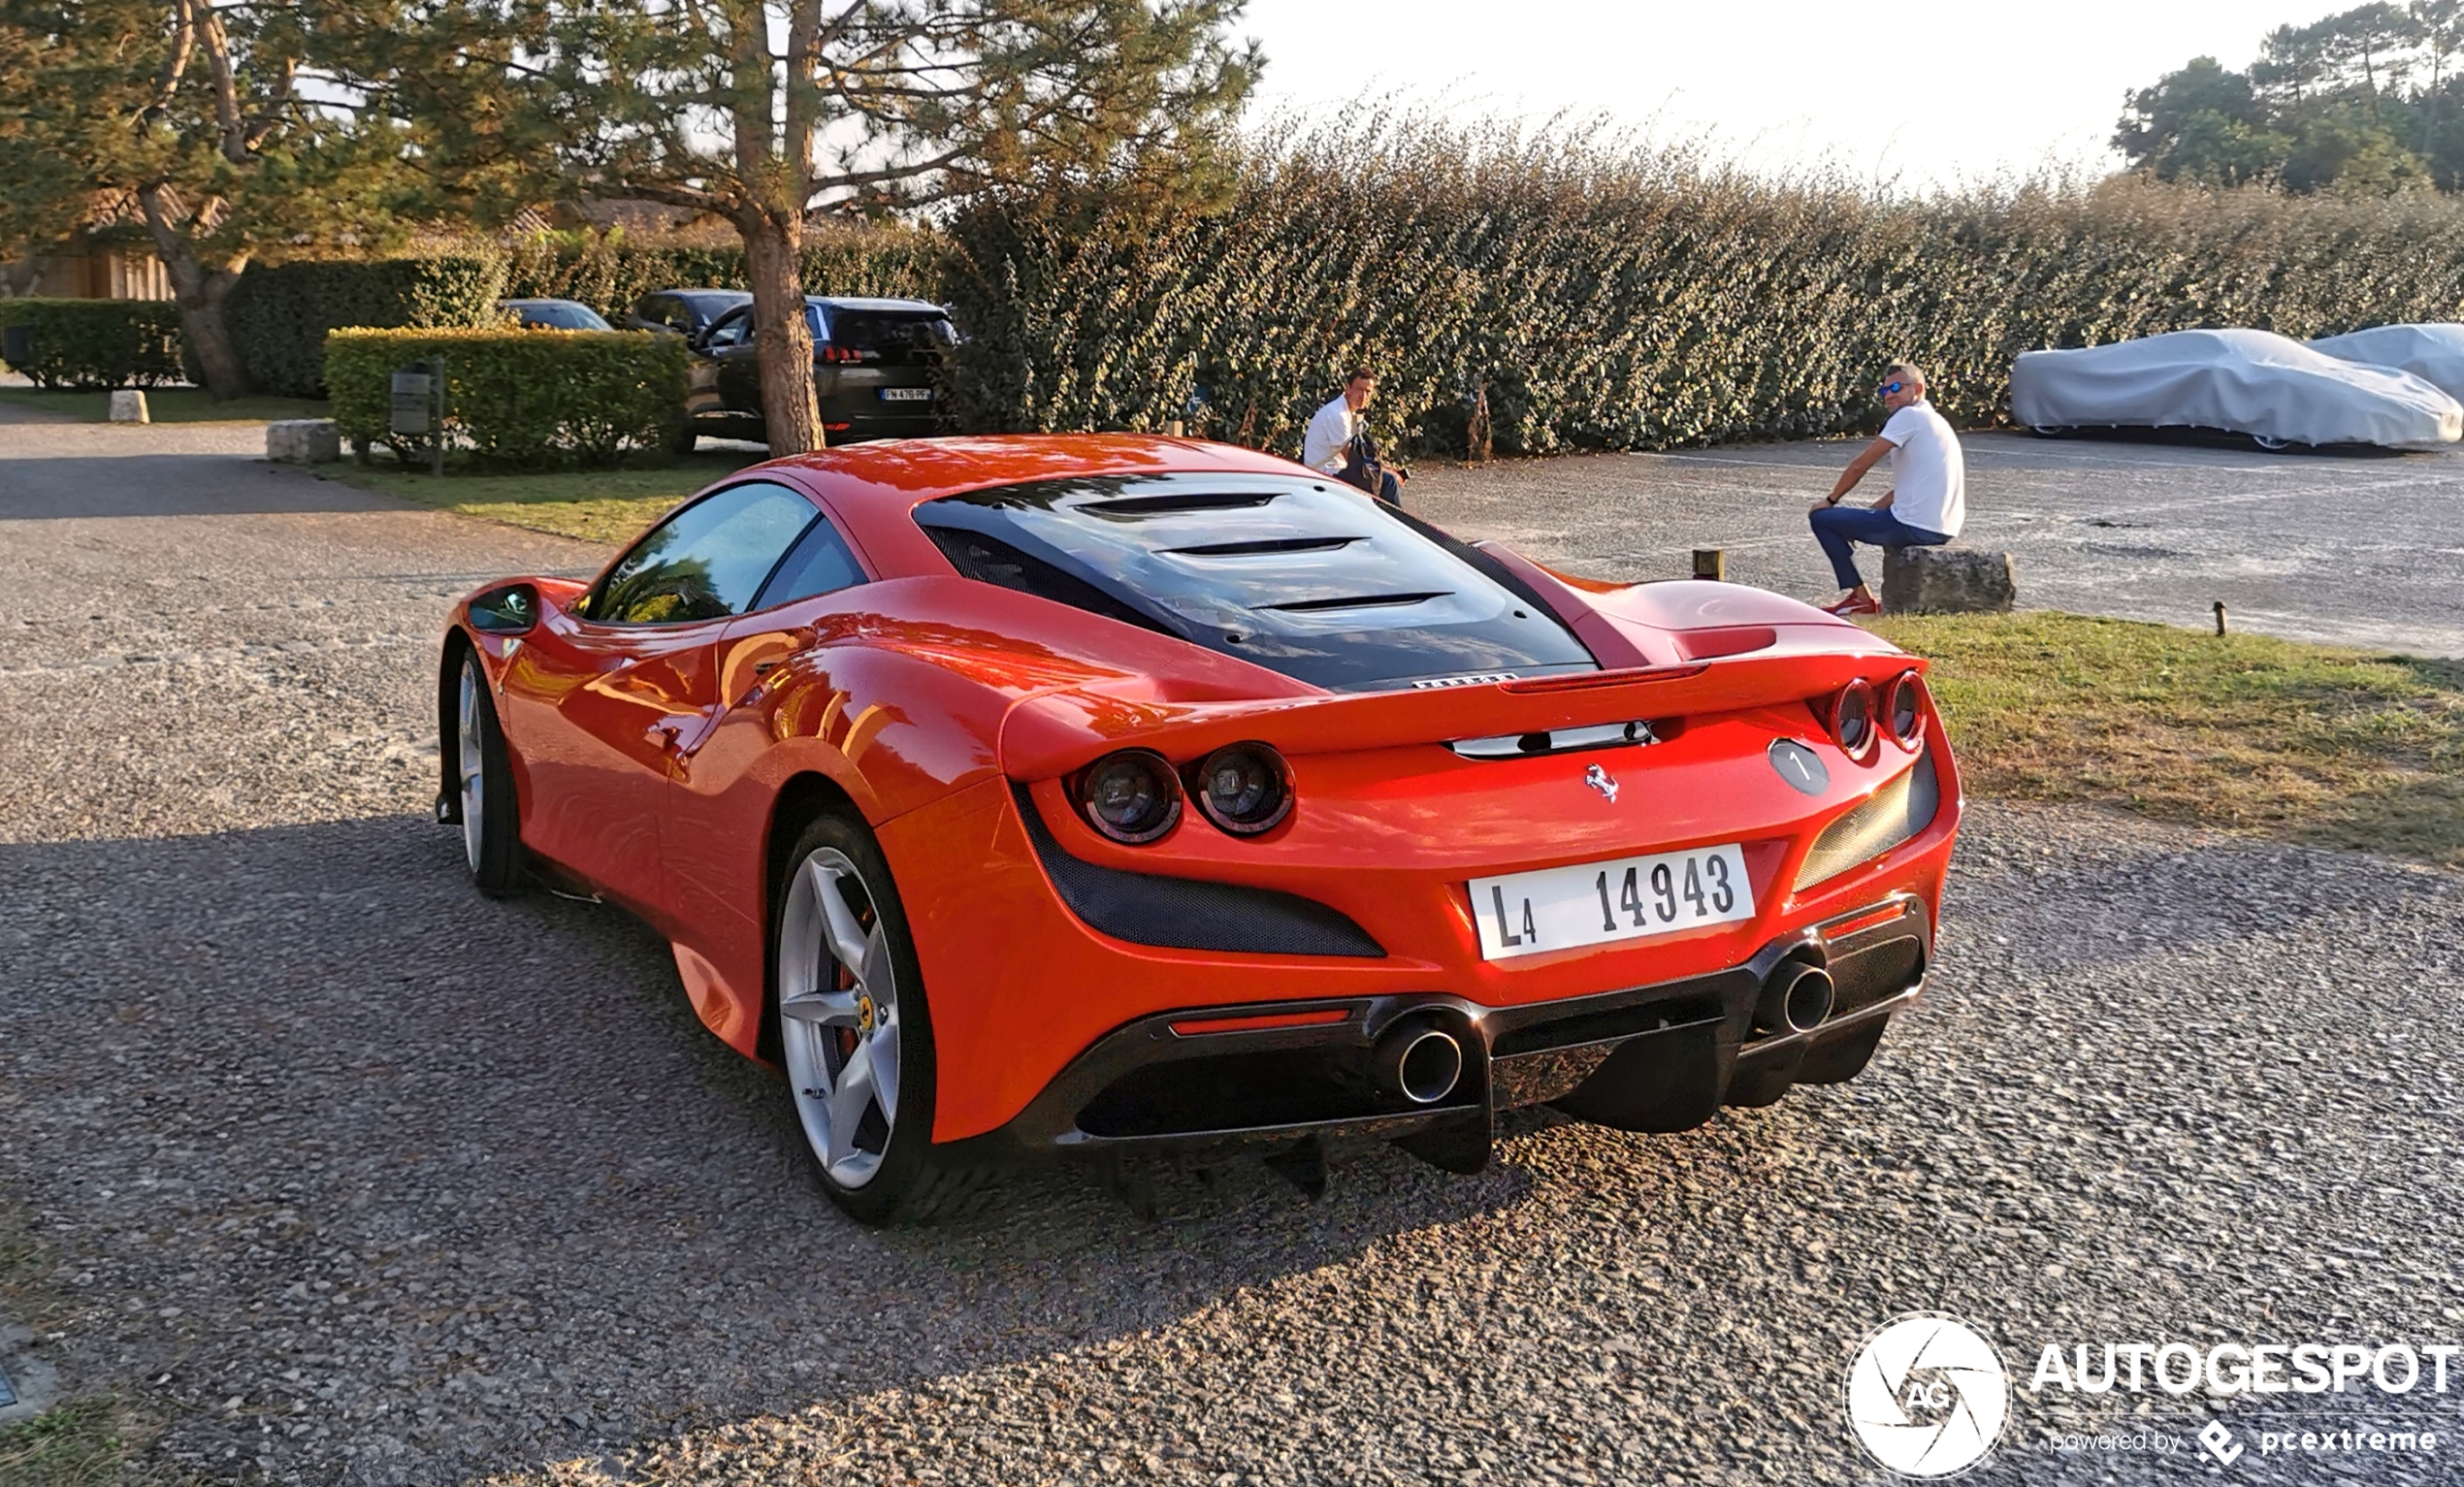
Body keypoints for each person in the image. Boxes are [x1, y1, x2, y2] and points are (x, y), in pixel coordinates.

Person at [1808, 362, 1965, 616]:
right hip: (1941, 528)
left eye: (1896, 387)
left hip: (1913, 526)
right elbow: (1904, 489)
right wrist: (1864, 517)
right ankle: (1861, 597)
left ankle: (1860, 598)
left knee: (1821, 518)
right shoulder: (1935, 421)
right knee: (1844, 520)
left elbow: (1860, 465)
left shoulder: (1909, 416)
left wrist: (1830, 500)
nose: (1889, 395)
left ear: (1918, 389)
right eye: (1884, 391)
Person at [1303, 368, 1408, 506]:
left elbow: (1363, 454)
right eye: (1360, 390)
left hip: (1336, 471)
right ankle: (1394, 527)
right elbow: (1355, 459)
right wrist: (1387, 473)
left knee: (1383, 478)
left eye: (1368, 391)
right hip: (1324, 476)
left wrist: (1388, 468)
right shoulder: (1337, 415)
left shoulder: (1353, 414)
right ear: (1348, 388)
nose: (1363, 396)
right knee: (1388, 481)